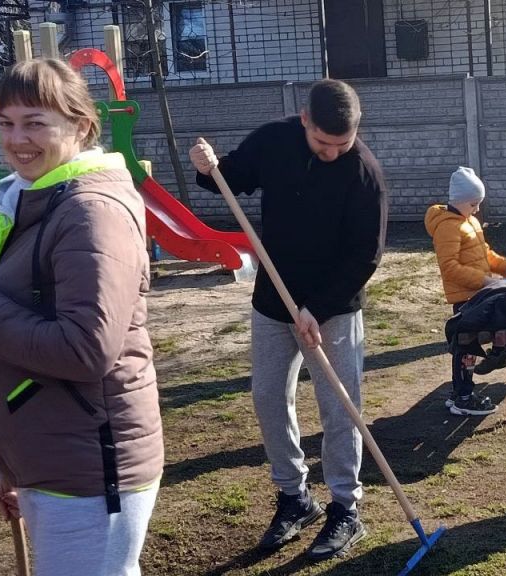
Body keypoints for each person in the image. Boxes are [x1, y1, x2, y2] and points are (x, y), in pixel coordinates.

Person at [0, 59, 163, 576]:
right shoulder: (35, 201)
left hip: (91, 470)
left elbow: (85, 349)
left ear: (80, 126)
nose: (16, 139)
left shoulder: (90, 213)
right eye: (7, 123)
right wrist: (7, 460)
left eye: (35, 122)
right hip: (52, 456)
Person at [189, 79, 387, 560]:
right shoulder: (274, 141)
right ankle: (295, 496)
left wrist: (318, 308)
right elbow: (229, 178)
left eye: (342, 144)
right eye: (323, 142)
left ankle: (345, 507)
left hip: (333, 309)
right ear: (304, 120)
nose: (332, 153)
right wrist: (207, 166)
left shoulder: (364, 173)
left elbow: (366, 255)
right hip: (273, 302)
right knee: (268, 397)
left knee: (339, 405)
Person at [425, 166, 506, 415]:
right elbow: (449, 267)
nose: (477, 209)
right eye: (473, 204)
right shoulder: (448, 227)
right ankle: (463, 396)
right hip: (466, 298)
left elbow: (486, 254)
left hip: (479, 294)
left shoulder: (469, 221)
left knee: (480, 335)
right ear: (459, 200)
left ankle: (490, 362)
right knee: (466, 344)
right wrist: (484, 281)